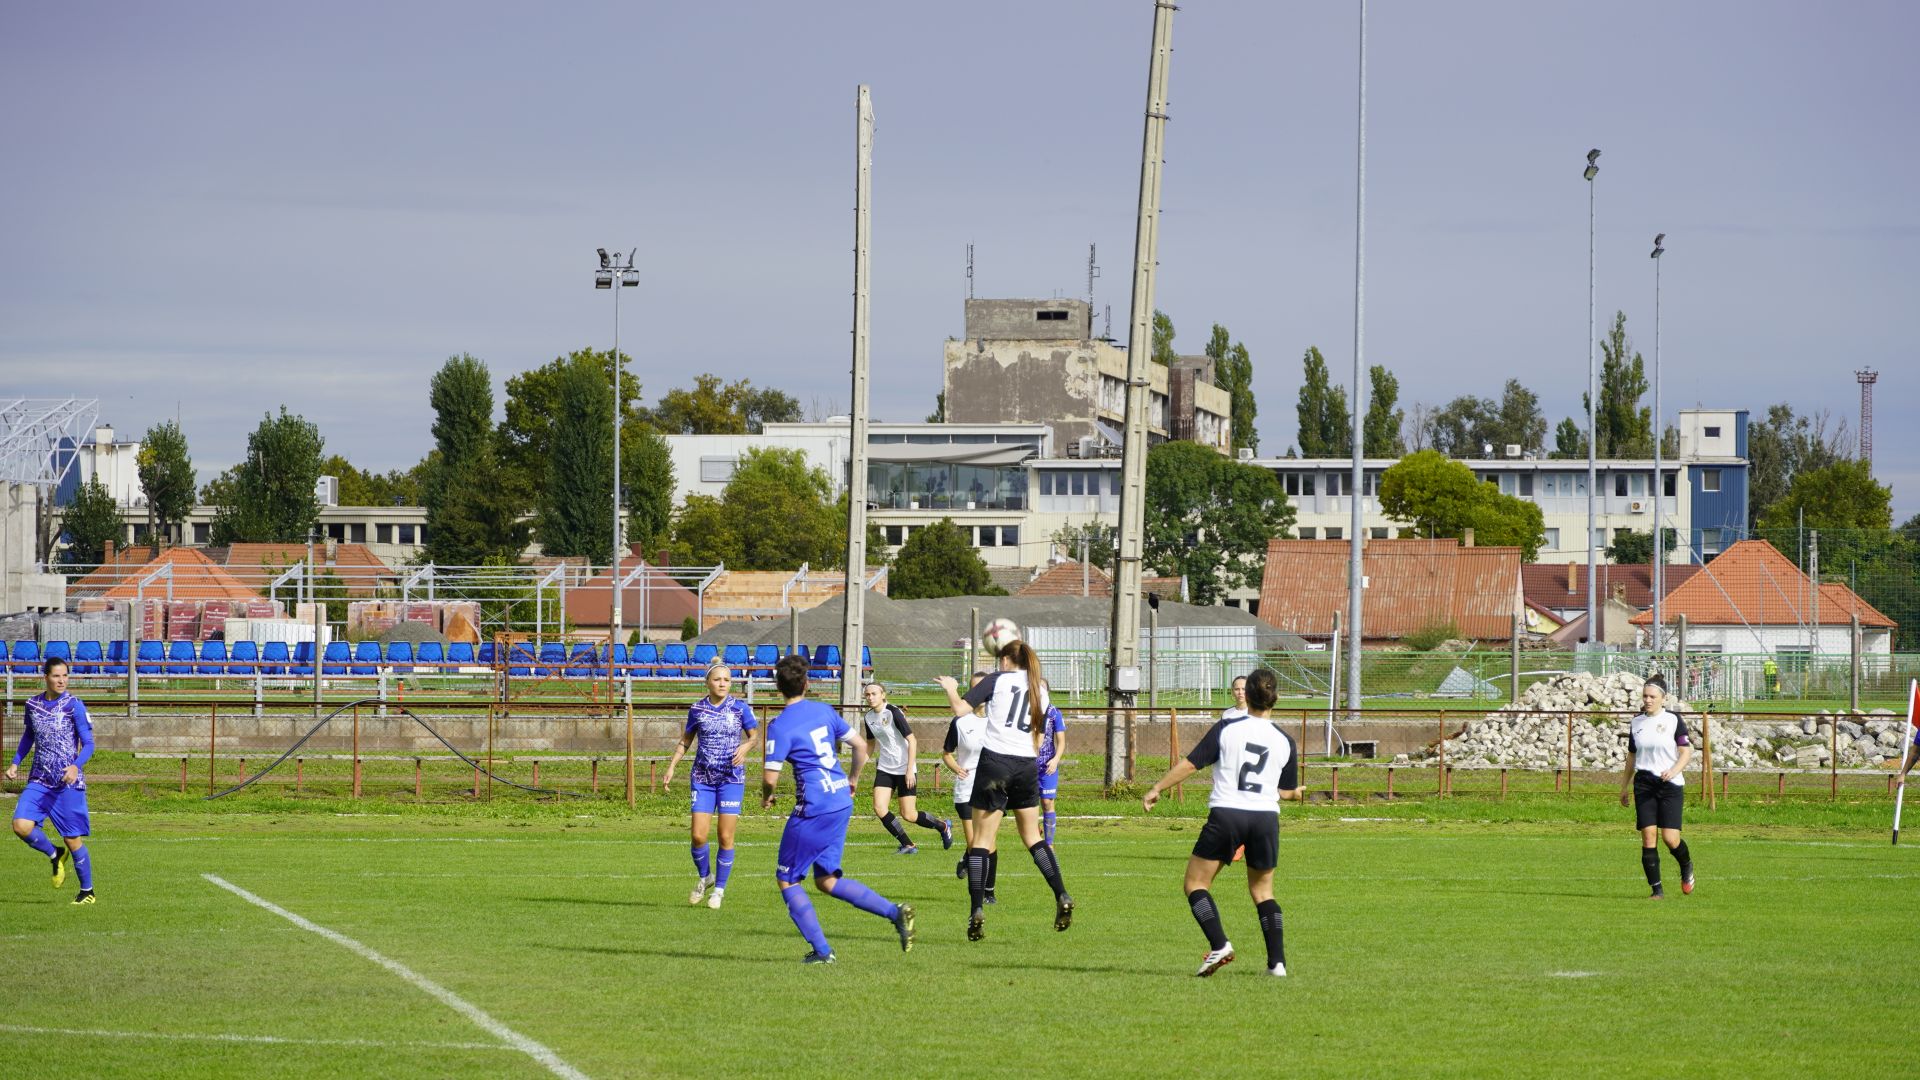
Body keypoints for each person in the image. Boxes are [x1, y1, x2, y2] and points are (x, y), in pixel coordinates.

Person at [1142, 668, 1301, 977]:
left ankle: (1219, 945)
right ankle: (1277, 964)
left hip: (1228, 814)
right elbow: (1285, 791)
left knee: (1195, 884)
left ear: (1247, 695)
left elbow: (1191, 764)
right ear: (1276, 698)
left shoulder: (1228, 728)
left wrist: (1157, 788)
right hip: (1266, 818)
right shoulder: (1285, 741)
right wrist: (1295, 794)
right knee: (1263, 892)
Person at [762, 655, 913, 963]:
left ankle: (822, 952)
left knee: (787, 879)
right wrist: (853, 778)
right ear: (806, 684)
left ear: (778, 687)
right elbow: (860, 746)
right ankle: (894, 912)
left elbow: (769, 777)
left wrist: (768, 796)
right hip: (840, 800)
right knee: (826, 880)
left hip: (814, 808)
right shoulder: (823, 711)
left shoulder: (780, 725)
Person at [936, 642, 1073, 942]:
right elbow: (1039, 736)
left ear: (1008, 660)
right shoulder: (1040, 689)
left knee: (981, 841)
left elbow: (960, 709)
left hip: (995, 763)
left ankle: (976, 910)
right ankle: (1061, 894)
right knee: (1033, 837)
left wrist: (950, 688)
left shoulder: (997, 679)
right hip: (1026, 765)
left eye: (1001, 659)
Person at [663, 663, 760, 910]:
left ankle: (719, 891)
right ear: (707, 682)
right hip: (702, 778)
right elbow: (685, 741)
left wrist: (746, 747)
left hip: (731, 779)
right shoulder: (697, 709)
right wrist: (672, 766)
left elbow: (754, 736)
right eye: (717, 679)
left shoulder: (740, 708)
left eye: (726, 679)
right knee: (698, 835)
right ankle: (706, 877)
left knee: (725, 836)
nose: (722, 683)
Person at [7, 656, 96, 905]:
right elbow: (29, 736)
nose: (61, 680)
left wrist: (76, 766)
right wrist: (15, 762)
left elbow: (89, 744)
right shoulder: (32, 705)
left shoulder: (74, 705)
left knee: (72, 838)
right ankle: (54, 853)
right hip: (40, 779)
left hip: (67, 782)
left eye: (65, 675)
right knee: (20, 825)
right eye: (56, 676)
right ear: (45, 677)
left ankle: (87, 892)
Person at [1617, 673, 1695, 899]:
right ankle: (1656, 890)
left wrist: (1674, 770)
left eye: (1652, 696)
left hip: (1669, 784)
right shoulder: (1636, 722)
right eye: (1645, 696)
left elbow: (1685, 752)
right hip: (1644, 784)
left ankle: (1686, 865)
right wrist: (1624, 786)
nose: (1647, 700)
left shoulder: (1673, 720)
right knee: (1649, 836)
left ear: (1663, 698)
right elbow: (1632, 756)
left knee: (1670, 838)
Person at [860, 682, 953, 855]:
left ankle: (943, 826)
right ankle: (908, 845)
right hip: (885, 767)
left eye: (874, 694)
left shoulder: (893, 712)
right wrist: (858, 768)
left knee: (909, 814)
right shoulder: (868, 717)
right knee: (879, 807)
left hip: (905, 767)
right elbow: (870, 744)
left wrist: (910, 770)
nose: (870, 697)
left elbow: (912, 740)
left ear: (883, 695)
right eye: (867, 695)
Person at [941, 672, 991, 893]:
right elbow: (946, 753)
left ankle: (971, 867)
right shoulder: (960, 722)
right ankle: (978, 894)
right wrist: (957, 768)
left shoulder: (999, 721)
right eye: (975, 688)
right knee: (975, 843)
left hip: (991, 787)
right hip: (966, 787)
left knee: (986, 842)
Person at [1035, 691, 1067, 846]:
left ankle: (1049, 843)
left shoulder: (1054, 713)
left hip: (1047, 766)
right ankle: (1034, 831)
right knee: (1027, 804)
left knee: (1047, 802)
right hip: (1027, 765)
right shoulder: (1025, 710)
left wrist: (1055, 760)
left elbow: (1061, 741)